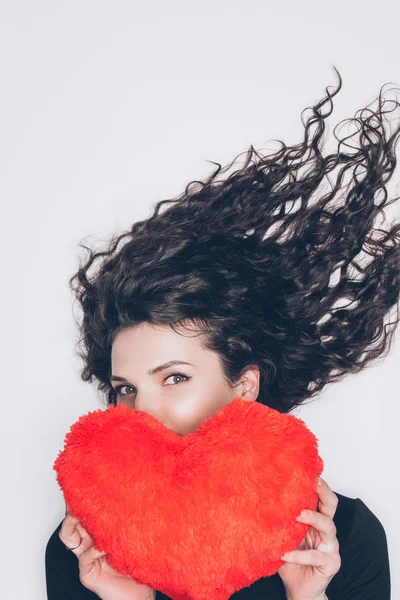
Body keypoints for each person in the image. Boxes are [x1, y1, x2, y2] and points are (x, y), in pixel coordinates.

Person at [45, 67, 397, 599]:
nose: (141, 412)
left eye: (174, 378)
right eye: (126, 388)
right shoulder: (86, 550)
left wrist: (308, 597)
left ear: (244, 386)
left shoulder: (341, 538)